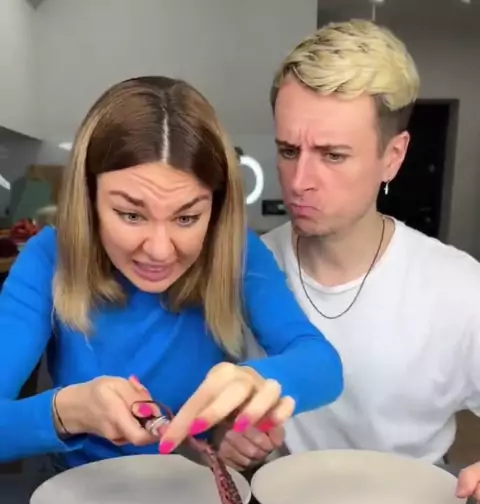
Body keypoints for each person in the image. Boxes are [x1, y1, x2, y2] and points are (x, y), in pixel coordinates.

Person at [0, 75, 344, 470]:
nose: (160, 250)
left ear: (215, 209)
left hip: (196, 491)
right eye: (131, 215)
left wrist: (255, 383)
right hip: (71, 492)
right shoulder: (48, 257)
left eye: (186, 218)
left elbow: (322, 363)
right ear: (89, 200)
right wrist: (66, 411)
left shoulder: (236, 251)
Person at [219, 18, 480, 503]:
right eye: (288, 150)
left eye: (333, 156)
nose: (299, 181)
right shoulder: (242, 272)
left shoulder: (461, 289)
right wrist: (234, 442)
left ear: (393, 157)